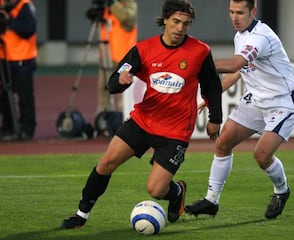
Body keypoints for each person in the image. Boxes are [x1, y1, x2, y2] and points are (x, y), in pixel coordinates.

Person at [60, 0, 223, 229]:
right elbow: (113, 83)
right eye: (175, 22)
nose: (179, 29)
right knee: (106, 162)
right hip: (143, 121)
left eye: (185, 24)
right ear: (165, 20)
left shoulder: (200, 51)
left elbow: (212, 86)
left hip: (175, 131)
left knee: (156, 190)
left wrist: (215, 118)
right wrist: (121, 80)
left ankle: (176, 191)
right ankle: (81, 215)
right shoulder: (143, 49)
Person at [185, 0, 294, 219]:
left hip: (282, 102)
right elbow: (240, 70)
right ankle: (211, 201)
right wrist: (214, 93)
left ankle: (281, 190)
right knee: (222, 144)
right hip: (256, 100)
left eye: (240, 12)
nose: (234, 17)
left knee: (261, 155)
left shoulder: (260, 37)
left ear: (253, 12)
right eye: (231, 12)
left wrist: (192, 62)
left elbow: (233, 65)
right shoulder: (241, 35)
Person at [0, 0, 37, 141]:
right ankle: (8, 128)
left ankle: (27, 130)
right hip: (4, 57)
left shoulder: (25, 6)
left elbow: (28, 30)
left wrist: (10, 21)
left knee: (25, 97)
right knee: (4, 97)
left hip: (23, 58)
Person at [95, 0, 138, 113]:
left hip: (124, 60)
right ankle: (104, 118)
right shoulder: (107, 7)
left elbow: (126, 18)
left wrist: (112, 3)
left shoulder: (129, 4)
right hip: (106, 56)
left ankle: (124, 119)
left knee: (123, 95)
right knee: (104, 92)